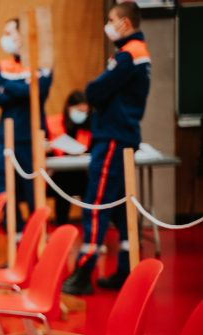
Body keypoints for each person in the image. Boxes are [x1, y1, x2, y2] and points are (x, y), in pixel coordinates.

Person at [63, 1, 150, 295]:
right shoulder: (140, 53)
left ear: (125, 22)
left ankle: (84, 270)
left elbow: (94, 90)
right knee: (121, 208)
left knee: (97, 203)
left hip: (112, 138)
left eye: (112, 19)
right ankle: (126, 269)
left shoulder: (127, 56)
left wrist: (97, 94)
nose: (109, 24)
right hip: (123, 136)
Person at [0, 16, 53, 236]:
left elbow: (37, 91)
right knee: (6, 190)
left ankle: (37, 239)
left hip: (30, 139)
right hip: (5, 139)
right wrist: (21, 88)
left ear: (22, 35)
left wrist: (9, 87)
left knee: (33, 191)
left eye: (10, 33)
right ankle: (14, 237)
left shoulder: (41, 64)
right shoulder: (4, 65)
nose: (5, 38)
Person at [46, 90, 92, 224]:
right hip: (57, 175)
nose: (82, 114)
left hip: (80, 174)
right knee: (63, 183)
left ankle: (89, 227)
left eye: (85, 111)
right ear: (69, 107)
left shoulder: (88, 127)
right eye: (79, 110)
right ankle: (61, 224)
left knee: (89, 187)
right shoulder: (52, 123)